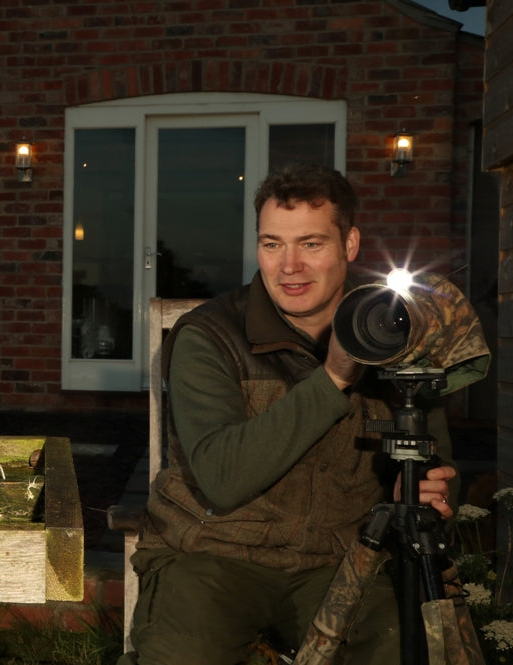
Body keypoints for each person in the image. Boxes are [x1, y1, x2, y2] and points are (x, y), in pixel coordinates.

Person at [119, 164, 457, 664]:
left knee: (400, 646)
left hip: (342, 558)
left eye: (311, 244)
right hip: (214, 553)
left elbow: (436, 461)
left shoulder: (395, 335)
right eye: (272, 244)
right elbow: (222, 478)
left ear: (351, 244)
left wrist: (418, 486)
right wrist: (336, 376)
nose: (289, 266)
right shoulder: (211, 337)